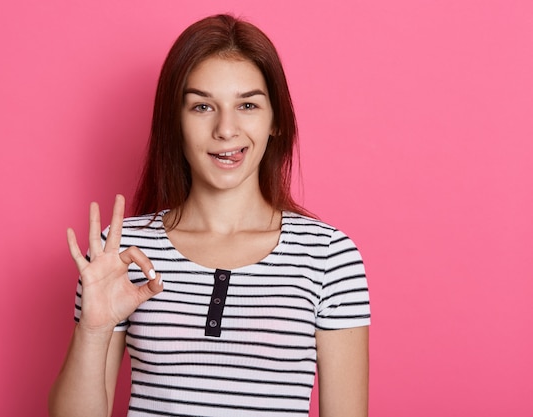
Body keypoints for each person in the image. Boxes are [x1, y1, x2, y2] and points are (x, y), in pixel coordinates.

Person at [49, 14, 371, 417]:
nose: (226, 129)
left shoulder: (328, 256)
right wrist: (93, 331)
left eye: (248, 105)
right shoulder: (121, 253)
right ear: (175, 123)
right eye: (202, 106)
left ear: (276, 122)